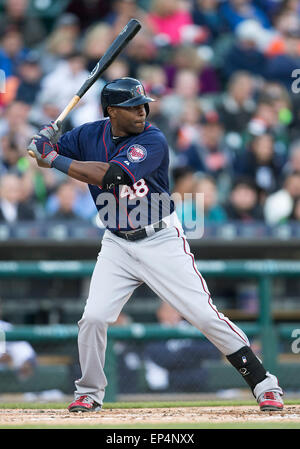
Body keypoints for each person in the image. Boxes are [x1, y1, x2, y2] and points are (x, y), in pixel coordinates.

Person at [27, 76, 284, 413]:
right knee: (93, 317)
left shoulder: (152, 139)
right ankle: (89, 391)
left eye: (144, 104)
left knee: (204, 317)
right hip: (117, 242)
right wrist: (44, 137)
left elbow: (110, 176)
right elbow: (47, 149)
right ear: (112, 111)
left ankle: (265, 384)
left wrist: (52, 158)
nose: (142, 111)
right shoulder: (89, 134)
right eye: (133, 106)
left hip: (159, 237)